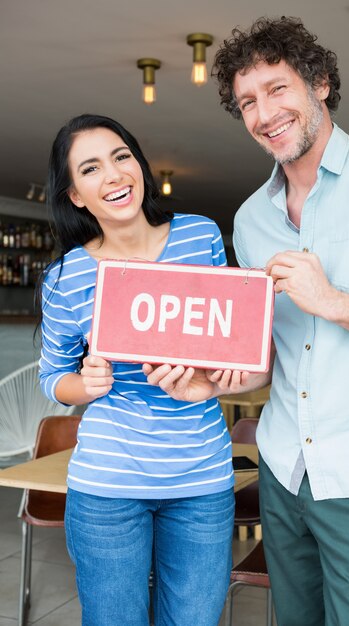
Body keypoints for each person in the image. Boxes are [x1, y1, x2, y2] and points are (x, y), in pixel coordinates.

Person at [146, 16, 349, 626]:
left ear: (319, 82)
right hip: (283, 470)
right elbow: (267, 357)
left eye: (277, 88)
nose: (264, 113)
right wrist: (216, 381)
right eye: (247, 102)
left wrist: (333, 299)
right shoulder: (251, 220)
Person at [38, 113, 235, 626]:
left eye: (121, 156)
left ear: (139, 165)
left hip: (202, 478)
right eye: (91, 168)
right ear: (76, 195)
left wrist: (213, 374)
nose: (114, 175)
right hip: (107, 486)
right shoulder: (66, 277)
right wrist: (84, 384)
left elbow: (228, 338)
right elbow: (52, 376)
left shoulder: (201, 236)